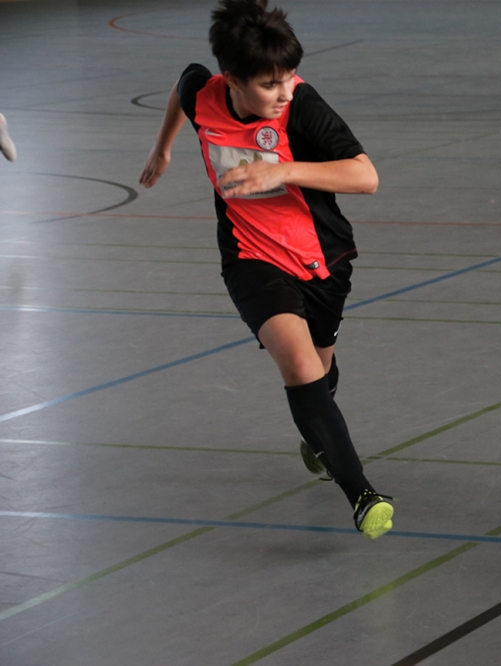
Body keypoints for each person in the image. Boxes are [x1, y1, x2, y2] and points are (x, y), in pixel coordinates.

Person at [139, 0, 394, 540]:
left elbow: (366, 176)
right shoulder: (204, 93)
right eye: (270, 83)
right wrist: (163, 149)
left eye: (289, 77)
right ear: (232, 80)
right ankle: (362, 494)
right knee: (299, 367)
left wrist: (284, 171)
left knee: (320, 373)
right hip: (250, 257)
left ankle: (319, 431)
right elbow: (182, 86)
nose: (284, 91)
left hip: (322, 257)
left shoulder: (301, 105)